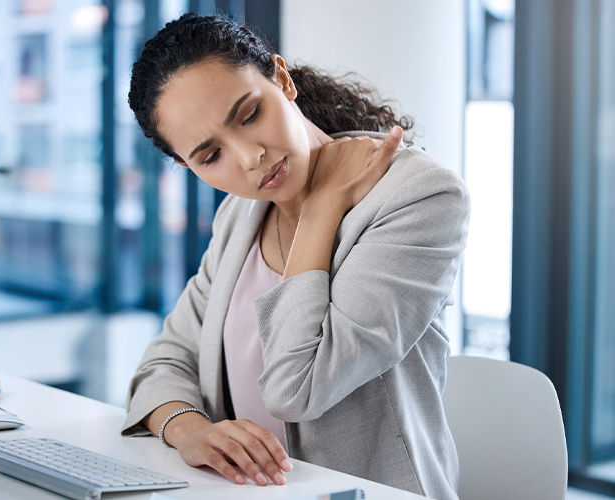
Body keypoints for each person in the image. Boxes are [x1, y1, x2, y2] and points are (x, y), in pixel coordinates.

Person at [122, 13, 469, 500]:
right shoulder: (239, 216)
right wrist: (189, 430)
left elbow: (298, 389)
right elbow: (163, 363)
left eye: (248, 115)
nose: (249, 157)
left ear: (281, 79)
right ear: (186, 165)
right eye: (210, 155)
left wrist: (322, 208)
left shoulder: (418, 196)